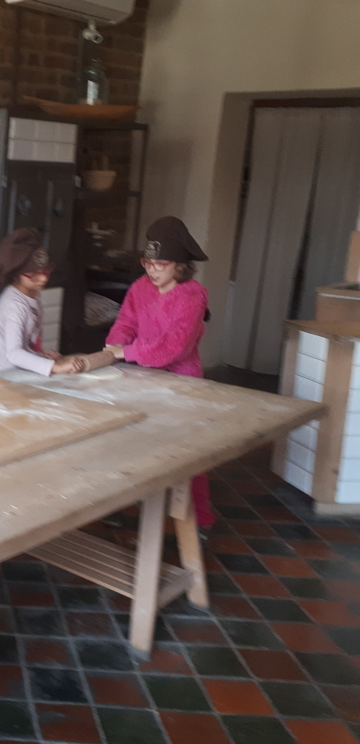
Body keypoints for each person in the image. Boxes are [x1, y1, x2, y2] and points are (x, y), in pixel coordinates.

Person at [104, 215, 214, 528]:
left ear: (180, 265)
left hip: (182, 381)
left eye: (160, 264)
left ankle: (199, 519)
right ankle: (119, 501)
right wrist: (115, 344)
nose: (152, 270)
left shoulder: (193, 295)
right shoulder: (140, 287)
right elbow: (127, 322)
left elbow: (175, 346)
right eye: (147, 263)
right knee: (131, 440)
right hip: (142, 377)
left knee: (188, 451)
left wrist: (127, 352)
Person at [0, 228, 85, 376]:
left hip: (21, 374)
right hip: (3, 376)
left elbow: (26, 343)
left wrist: (40, 355)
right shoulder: (14, 305)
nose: (43, 278)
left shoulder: (33, 295)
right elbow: (14, 354)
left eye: (45, 271)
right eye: (33, 274)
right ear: (17, 273)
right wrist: (55, 367)